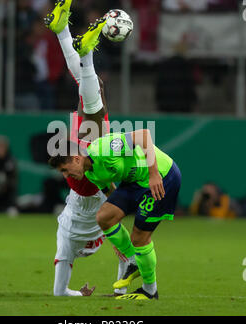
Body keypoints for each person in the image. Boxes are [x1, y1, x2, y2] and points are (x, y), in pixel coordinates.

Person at [44, 0, 134, 297]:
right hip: (78, 190)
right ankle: (64, 33)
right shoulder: (66, 231)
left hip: (88, 184)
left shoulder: (84, 187)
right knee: (91, 91)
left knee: (92, 97)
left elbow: (124, 249)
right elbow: (59, 289)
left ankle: (80, 48)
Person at [49, 129, 181, 300]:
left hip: (162, 175)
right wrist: (116, 236)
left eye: (65, 170)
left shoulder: (104, 149)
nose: (66, 176)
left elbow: (143, 135)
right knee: (103, 217)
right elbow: (113, 197)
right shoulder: (91, 174)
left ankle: (149, 290)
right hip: (134, 183)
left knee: (139, 238)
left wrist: (154, 174)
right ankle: (132, 259)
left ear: (76, 159)